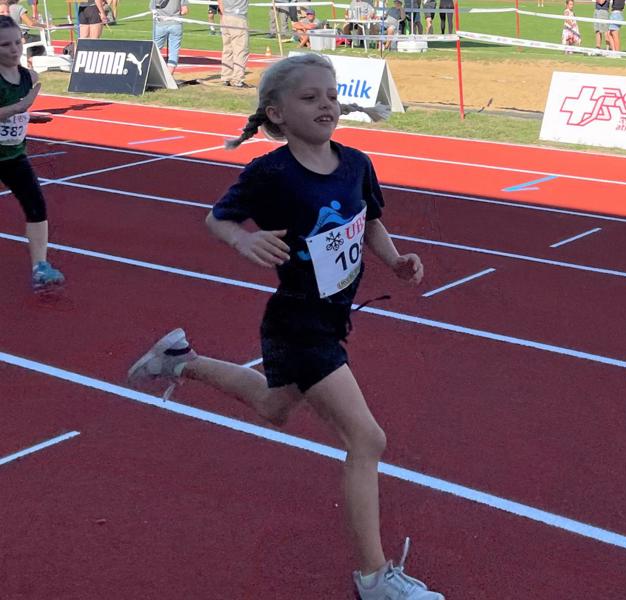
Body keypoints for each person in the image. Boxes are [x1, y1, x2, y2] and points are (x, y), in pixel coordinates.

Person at [125, 53, 439, 600]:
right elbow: (216, 218)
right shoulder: (272, 172)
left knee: (274, 408)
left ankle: (182, 361)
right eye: (311, 97)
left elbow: (370, 220)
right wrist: (243, 240)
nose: (327, 105)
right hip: (296, 321)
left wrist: (393, 259)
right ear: (277, 113)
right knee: (367, 438)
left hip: (331, 318)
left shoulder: (356, 162)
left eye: (333, 95)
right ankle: (374, 578)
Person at [0, 16, 63, 292]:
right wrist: (18, 108)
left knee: (36, 205)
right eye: (5, 45)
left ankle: (40, 266)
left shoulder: (28, 77)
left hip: (14, 155)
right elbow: (14, 108)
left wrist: (29, 117)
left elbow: (18, 112)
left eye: (17, 42)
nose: (14, 49)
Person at [217, 0, 250, 87]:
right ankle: (237, 80)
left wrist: (224, 13)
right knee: (240, 49)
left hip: (226, 17)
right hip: (238, 18)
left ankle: (226, 77)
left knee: (227, 49)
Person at [152, 0, 188, 74]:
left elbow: (152, 8)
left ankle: (153, 73)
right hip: (175, 23)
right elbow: (185, 10)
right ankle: (169, 75)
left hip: (160, 23)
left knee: (155, 50)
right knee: (174, 50)